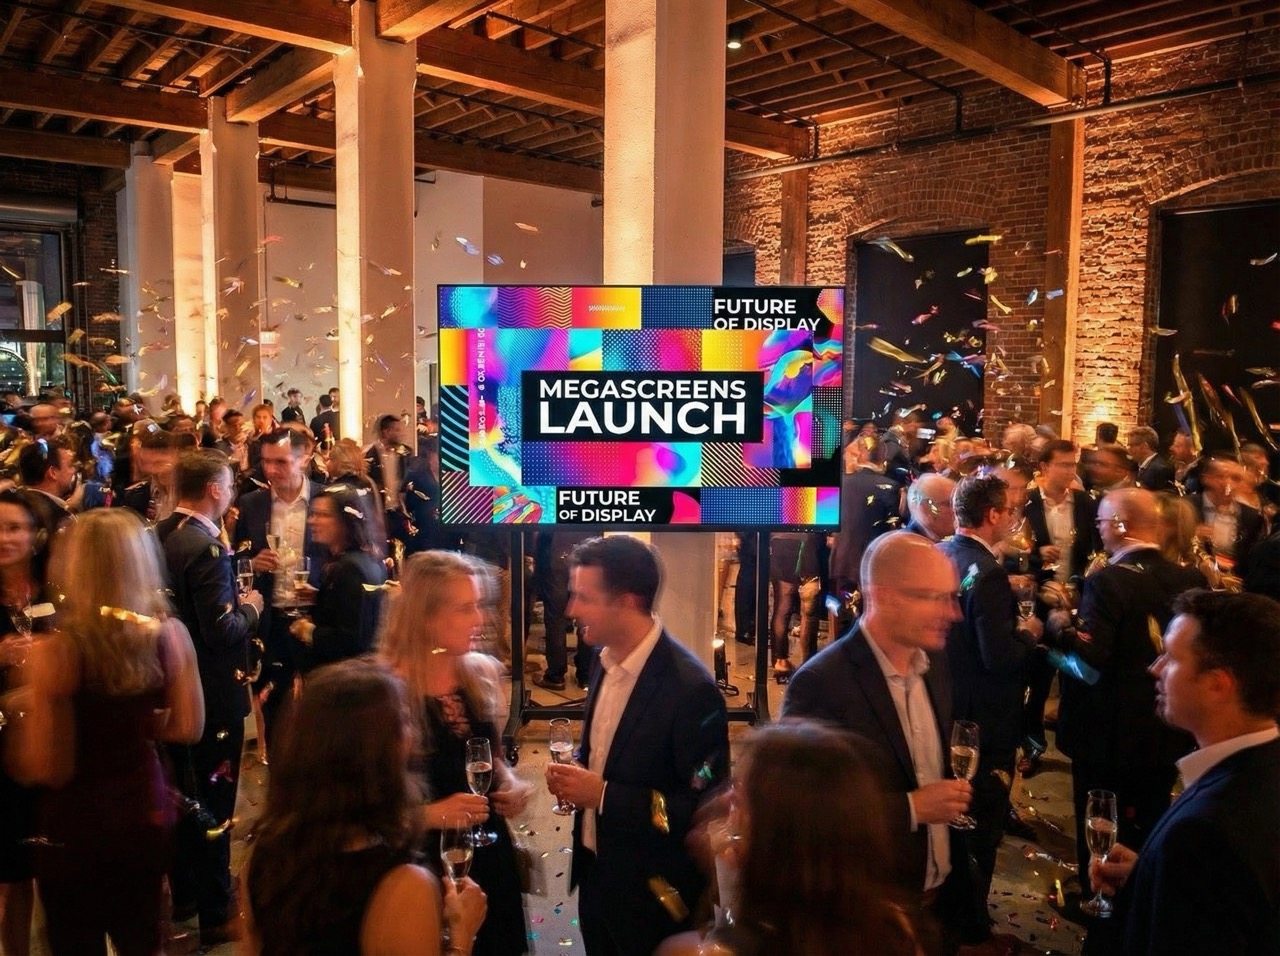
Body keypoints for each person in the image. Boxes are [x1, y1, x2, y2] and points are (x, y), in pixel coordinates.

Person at [12, 509, 204, 956]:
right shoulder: (170, 636)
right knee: (143, 939)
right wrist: (137, 726)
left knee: (74, 941)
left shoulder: (54, 652)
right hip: (143, 810)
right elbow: (188, 727)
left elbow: (47, 766)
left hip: (75, 822)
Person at [782, 531, 984, 951]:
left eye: (953, 597)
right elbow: (799, 815)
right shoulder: (821, 683)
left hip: (936, 910)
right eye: (936, 598)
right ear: (884, 595)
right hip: (864, 917)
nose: (954, 613)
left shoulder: (935, 662)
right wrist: (912, 808)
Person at [544, 535, 730, 956]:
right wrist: (582, 767)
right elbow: (614, 751)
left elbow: (701, 810)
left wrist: (603, 795)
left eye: (584, 597)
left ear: (627, 602)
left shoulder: (692, 691)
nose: (571, 610)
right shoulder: (603, 658)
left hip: (655, 900)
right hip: (597, 879)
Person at [243, 659, 487, 956]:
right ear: (378, 755)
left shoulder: (262, 859)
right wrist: (462, 936)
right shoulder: (406, 888)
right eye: (404, 721)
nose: (414, 733)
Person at [1091, 590, 1280, 955]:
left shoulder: (1204, 835)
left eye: (1172, 658)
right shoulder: (1263, 767)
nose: (1155, 668)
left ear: (1217, 684)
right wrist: (1151, 874)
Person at [1046, 488, 1205, 904]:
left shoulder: (1109, 581)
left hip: (1106, 733)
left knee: (1101, 820)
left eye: (1101, 521)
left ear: (1120, 524)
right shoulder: (1189, 578)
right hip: (1164, 726)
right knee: (1150, 816)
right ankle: (1139, 892)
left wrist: (1056, 634)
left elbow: (1090, 663)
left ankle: (1097, 896)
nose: (1098, 529)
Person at [378, 551, 532, 955]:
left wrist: (511, 785)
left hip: (489, 857)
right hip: (425, 867)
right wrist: (430, 814)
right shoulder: (385, 692)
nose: (481, 618)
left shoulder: (479, 672)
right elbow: (360, 813)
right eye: (465, 608)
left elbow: (495, 760)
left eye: (479, 604)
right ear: (425, 617)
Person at [657, 721, 917, 956]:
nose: (722, 804)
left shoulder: (695, 951)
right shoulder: (895, 930)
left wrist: (724, 882)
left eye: (738, 800)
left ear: (773, 836)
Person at [156, 450, 264, 948]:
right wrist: (252, 608)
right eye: (229, 485)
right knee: (215, 801)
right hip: (211, 693)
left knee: (181, 792)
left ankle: (185, 894)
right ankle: (217, 910)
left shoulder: (158, 535)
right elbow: (221, 630)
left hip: (170, 688)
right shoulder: (206, 547)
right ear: (215, 489)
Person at [937, 474, 1042, 915]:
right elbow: (998, 658)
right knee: (981, 822)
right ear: (993, 514)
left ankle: (952, 909)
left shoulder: (940, 552)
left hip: (946, 701)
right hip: (984, 716)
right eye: (1010, 511)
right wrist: (1030, 634)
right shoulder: (991, 573)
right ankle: (973, 923)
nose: (1013, 519)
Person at [235, 428, 328, 744]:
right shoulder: (251, 504)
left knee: (321, 713)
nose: (271, 470)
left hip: (316, 620)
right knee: (274, 711)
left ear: (304, 459)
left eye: (281, 462)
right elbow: (237, 558)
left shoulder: (325, 499)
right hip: (271, 623)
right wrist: (251, 562)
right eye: (266, 462)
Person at [1020, 439, 1098, 775]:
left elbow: (1094, 551)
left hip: (1076, 602)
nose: (1070, 471)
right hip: (1038, 602)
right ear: (1044, 467)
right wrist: (1037, 557)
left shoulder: (1084, 502)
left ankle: (1073, 743)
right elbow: (1014, 552)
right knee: (1036, 681)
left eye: (1073, 464)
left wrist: (1079, 587)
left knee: (1074, 678)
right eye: (1063, 464)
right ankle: (1032, 747)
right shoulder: (1027, 502)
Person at [0, 491, 48, 956]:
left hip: (53, 742)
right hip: (3, 750)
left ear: (35, 535)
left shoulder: (54, 588)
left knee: (55, 864)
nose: (5, 538)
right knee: (13, 873)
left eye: (14, 528)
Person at [288, 483, 387, 672]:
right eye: (313, 514)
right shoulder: (369, 558)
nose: (312, 521)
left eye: (323, 515)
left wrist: (307, 631)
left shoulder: (350, 568)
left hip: (344, 678)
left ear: (346, 521)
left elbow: (351, 641)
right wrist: (319, 597)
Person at [904, 473, 956, 542]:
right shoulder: (909, 546)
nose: (956, 510)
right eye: (949, 504)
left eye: (957, 503)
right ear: (925, 509)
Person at [1127, 427, 1175, 492]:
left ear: (1145, 446)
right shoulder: (1135, 466)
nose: (1129, 449)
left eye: (1132, 445)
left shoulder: (1160, 469)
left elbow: (1164, 496)